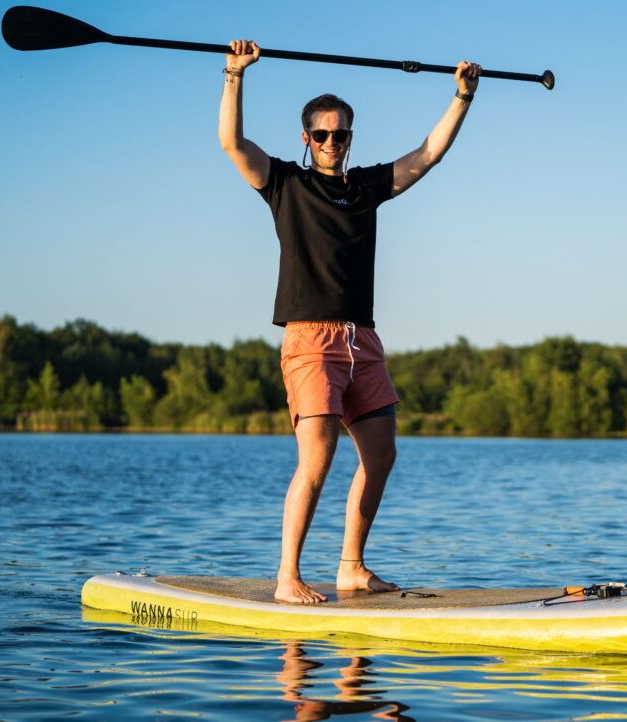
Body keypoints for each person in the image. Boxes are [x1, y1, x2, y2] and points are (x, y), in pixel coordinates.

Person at [218, 39, 480, 603]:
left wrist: (462, 97)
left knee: (381, 454)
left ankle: (350, 568)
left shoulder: (365, 188)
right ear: (306, 139)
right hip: (310, 339)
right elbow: (232, 143)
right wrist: (235, 76)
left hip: (363, 339)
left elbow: (428, 154)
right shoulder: (285, 183)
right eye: (321, 134)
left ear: (350, 139)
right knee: (318, 457)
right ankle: (287, 577)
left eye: (340, 134)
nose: (331, 142)